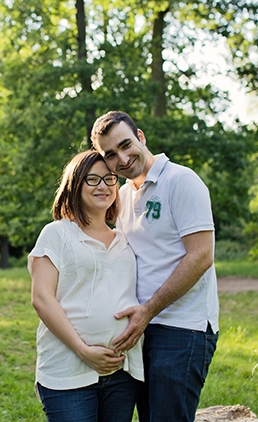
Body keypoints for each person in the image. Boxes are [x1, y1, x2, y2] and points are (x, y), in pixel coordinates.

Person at [91, 111, 219, 422]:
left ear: (141, 137)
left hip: (182, 327)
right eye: (110, 155)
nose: (122, 158)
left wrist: (148, 310)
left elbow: (201, 256)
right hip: (142, 328)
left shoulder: (181, 181)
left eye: (126, 144)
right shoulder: (121, 195)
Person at [28, 150, 144, 422]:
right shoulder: (57, 233)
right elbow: (41, 298)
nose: (103, 186)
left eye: (109, 178)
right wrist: (84, 351)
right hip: (68, 370)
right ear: (75, 185)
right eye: (92, 179)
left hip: (121, 371)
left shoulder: (125, 238)